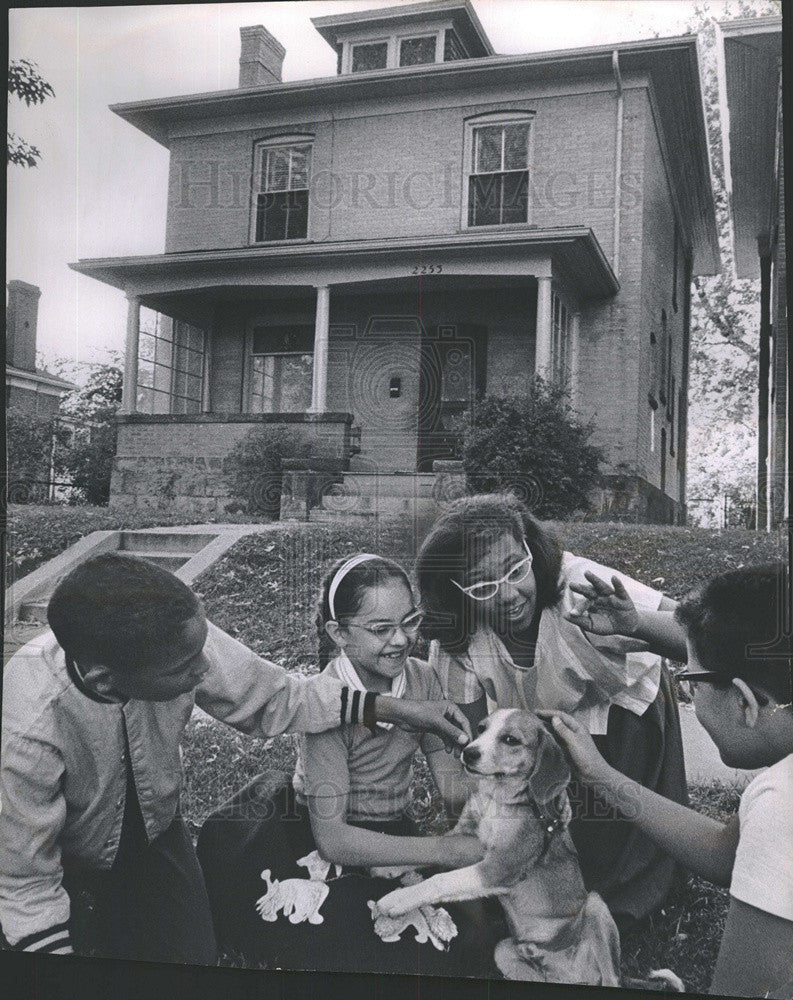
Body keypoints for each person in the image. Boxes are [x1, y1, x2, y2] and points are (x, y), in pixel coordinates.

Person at [0, 553, 471, 964]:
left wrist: (398, 708)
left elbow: (278, 699)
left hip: (155, 828)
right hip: (65, 848)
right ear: (107, 683)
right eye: (184, 669)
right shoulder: (26, 731)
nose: (204, 670)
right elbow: (24, 882)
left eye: (201, 651)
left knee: (190, 957)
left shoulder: (175, 635)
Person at [197, 553, 499, 976]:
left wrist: (502, 808)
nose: (400, 639)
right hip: (318, 836)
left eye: (409, 622)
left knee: (472, 927)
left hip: (390, 832)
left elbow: (449, 783)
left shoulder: (424, 678)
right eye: (380, 629)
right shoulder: (327, 703)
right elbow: (334, 840)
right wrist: (445, 850)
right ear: (339, 633)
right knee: (383, 947)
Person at [416, 493, 688, 931]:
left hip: (622, 717)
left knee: (608, 865)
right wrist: (478, 840)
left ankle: (634, 890)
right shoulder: (457, 640)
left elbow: (694, 633)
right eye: (483, 586)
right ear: (455, 596)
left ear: (530, 549)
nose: (507, 594)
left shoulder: (581, 583)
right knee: (537, 846)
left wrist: (634, 622)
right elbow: (466, 748)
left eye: (515, 568)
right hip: (538, 732)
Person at [542, 563, 793, 998]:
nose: (688, 693)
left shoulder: (781, 801)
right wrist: (600, 775)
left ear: (746, 703)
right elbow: (725, 856)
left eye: (690, 682)